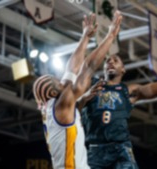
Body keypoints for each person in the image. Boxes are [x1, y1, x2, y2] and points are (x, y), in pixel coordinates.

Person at [32, 11, 123, 169]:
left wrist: (85, 37)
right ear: (55, 92)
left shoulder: (52, 106)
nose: (62, 81)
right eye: (58, 82)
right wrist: (110, 37)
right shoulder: (62, 105)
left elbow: (71, 71)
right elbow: (88, 67)